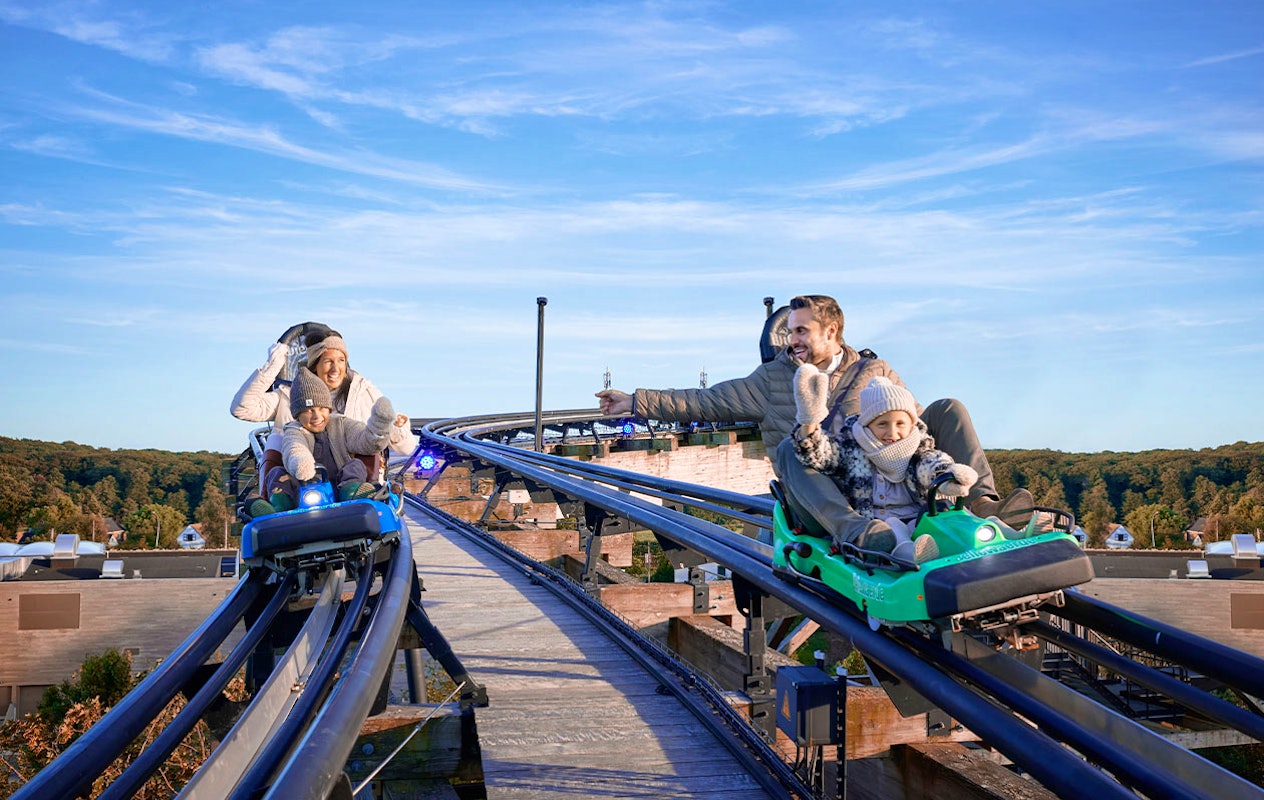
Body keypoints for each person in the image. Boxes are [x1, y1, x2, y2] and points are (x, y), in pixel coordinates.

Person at [594, 294, 1033, 528]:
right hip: (824, 494)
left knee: (948, 408)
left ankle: (983, 505)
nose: (793, 341)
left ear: (832, 331)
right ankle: (859, 533)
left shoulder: (873, 369)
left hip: (885, 476)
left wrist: (930, 465)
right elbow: (705, 401)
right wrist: (636, 401)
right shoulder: (771, 380)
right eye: (789, 332)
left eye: (801, 331)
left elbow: (915, 423)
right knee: (790, 447)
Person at [792, 372, 976, 562]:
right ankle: (909, 555)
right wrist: (810, 423)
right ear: (867, 425)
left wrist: (946, 475)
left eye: (900, 424)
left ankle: (985, 533)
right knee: (895, 528)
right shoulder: (852, 448)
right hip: (879, 527)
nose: (892, 433)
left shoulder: (916, 447)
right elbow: (821, 455)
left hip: (916, 517)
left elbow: (930, 463)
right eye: (882, 424)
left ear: (912, 424)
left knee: (941, 519)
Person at [230, 326, 418, 494]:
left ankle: (360, 492)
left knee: (362, 443)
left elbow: (406, 448)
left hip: (353, 476)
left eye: (341, 360)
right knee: (277, 439)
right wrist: (272, 367)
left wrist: (393, 428)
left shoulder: (363, 392)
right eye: (328, 361)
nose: (335, 369)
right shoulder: (289, 396)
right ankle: (277, 499)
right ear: (315, 364)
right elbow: (242, 408)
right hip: (303, 481)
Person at [249, 369, 396, 517]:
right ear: (298, 414)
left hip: (339, 487)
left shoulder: (341, 424)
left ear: (328, 408)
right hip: (303, 491)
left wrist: (379, 427)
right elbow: (294, 448)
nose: (316, 416)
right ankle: (278, 506)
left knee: (355, 465)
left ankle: (353, 493)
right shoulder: (294, 430)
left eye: (321, 408)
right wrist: (300, 462)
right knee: (277, 473)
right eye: (309, 410)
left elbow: (363, 439)